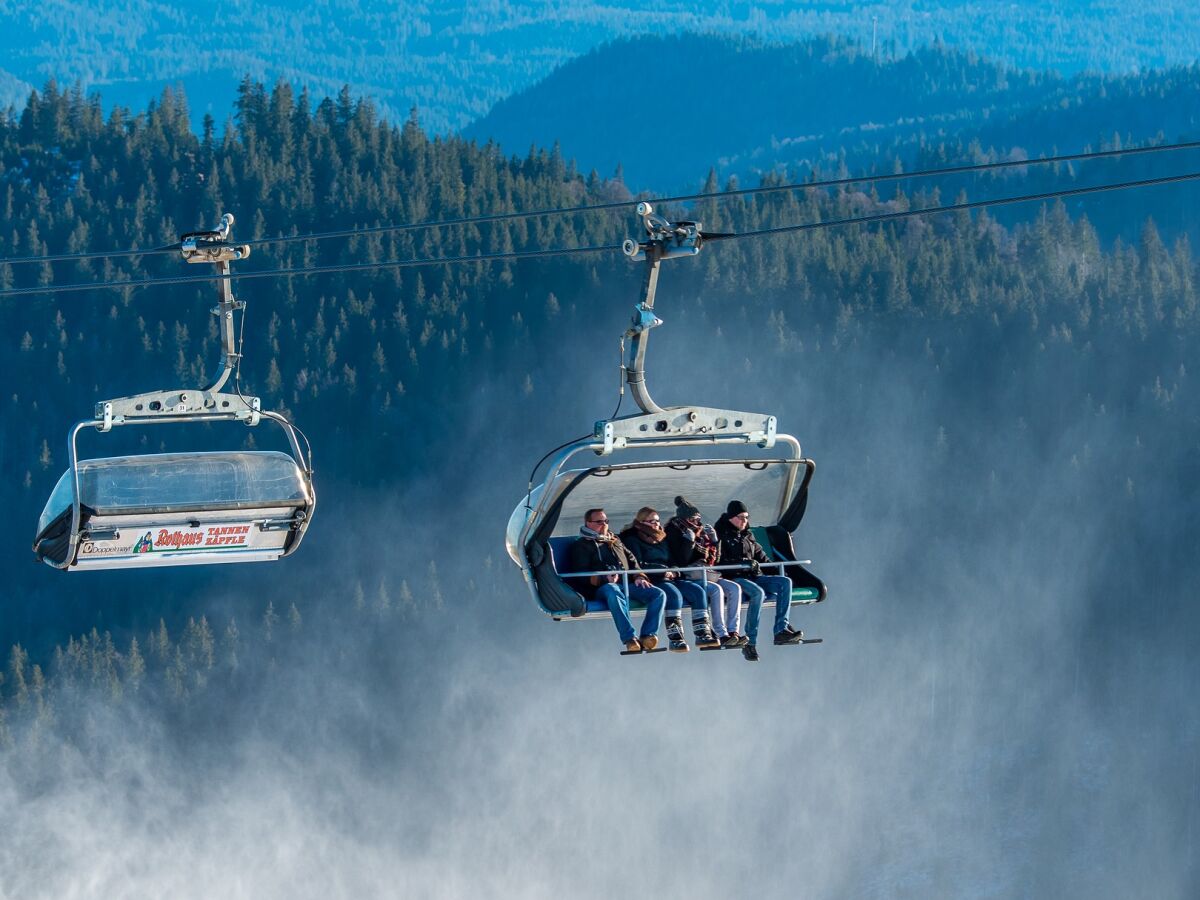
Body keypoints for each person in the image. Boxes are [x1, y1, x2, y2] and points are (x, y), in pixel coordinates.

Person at [714, 500, 806, 661]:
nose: (744, 521)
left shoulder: (748, 535)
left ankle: (781, 630)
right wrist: (744, 564)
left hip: (754, 576)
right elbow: (718, 563)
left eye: (746, 517)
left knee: (785, 583)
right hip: (735, 577)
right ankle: (751, 641)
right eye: (741, 517)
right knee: (758, 593)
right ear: (731, 518)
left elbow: (762, 557)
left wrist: (779, 572)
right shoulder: (722, 534)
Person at [620, 507, 720, 652]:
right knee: (674, 595)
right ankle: (676, 638)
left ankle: (703, 633)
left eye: (657, 521)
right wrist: (662, 572)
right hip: (652, 578)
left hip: (669, 577)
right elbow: (638, 563)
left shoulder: (662, 538)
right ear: (641, 522)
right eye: (651, 521)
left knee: (697, 591)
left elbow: (673, 560)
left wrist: (674, 571)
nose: (655, 524)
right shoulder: (632, 539)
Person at [567, 508, 667, 653]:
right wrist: (603, 579)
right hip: (601, 588)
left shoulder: (614, 540)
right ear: (588, 523)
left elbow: (632, 560)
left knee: (658, 594)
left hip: (626, 584)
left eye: (606, 521)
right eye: (599, 522)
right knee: (613, 591)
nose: (604, 525)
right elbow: (581, 574)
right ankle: (629, 638)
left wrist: (639, 576)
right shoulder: (581, 545)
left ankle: (648, 635)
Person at [665, 496, 745, 649]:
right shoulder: (674, 531)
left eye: (698, 518)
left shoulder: (702, 532)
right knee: (716, 591)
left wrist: (715, 542)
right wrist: (689, 542)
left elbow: (716, 560)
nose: (697, 522)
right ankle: (721, 634)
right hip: (691, 575)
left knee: (735, 588)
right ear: (685, 518)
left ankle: (733, 631)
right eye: (693, 519)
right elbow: (681, 561)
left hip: (708, 572)